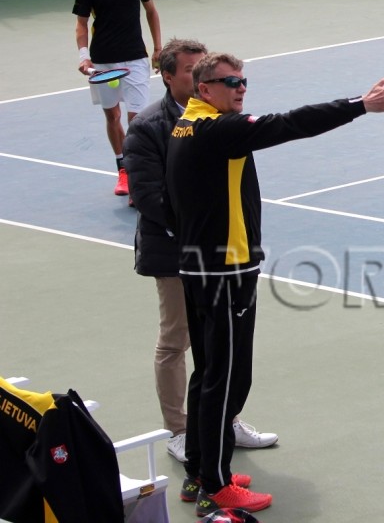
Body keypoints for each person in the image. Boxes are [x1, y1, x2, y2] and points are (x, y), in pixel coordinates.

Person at [164, 52, 384, 515]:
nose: (240, 88)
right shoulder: (219, 130)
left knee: (207, 373)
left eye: (243, 81)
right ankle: (215, 485)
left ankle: (199, 472)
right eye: (230, 82)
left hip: (198, 268)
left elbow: (167, 200)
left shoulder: (184, 127)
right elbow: (292, 123)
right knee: (227, 378)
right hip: (226, 272)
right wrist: (360, 105)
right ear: (204, 89)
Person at [122, 38, 278, 472]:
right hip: (178, 253)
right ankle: (181, 431)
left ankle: (221, 424)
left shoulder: (219, 117)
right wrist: (196, 232)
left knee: (218, 354)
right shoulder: (148, 126)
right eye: (190, 70)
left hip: (216, 254)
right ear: (168, 76)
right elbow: (148, 196)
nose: (196, 76)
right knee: (178, 341)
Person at [73, 0, 163, 197]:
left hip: (135, 57)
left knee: (136, 119)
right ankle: (123, 170)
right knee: (112, 115)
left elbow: (151, 11)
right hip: (103, 61)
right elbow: (81, 24)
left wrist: (158, 48)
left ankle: (138, 172)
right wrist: (84, 57)